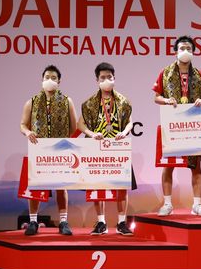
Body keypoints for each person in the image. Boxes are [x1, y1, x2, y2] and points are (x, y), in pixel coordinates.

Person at [152, 35, 201, 216]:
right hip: (173, 127)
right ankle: (168, 203)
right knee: (168, 165)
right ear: (175, 51)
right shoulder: (165, 72)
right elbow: (156, 97)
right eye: (182, 48)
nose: (185, 52)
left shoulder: (200, 75)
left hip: (194, 126)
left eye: (189, 49)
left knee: (196, 165)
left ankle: (197, 205)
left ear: (193, 52)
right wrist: (166, 101)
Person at [78, 62, 135, 236]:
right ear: (97, 80)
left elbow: (130, 122)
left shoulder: (124, 101)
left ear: (114, 78)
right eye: (102, 77)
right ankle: (101, 222)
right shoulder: (89, 103)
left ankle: (121, 222)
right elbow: (80, 124)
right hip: (97, 150)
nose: (106, 80)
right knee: (98, 187)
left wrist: (125, 132)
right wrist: (91, 133)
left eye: (109, 77)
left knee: (122, 187)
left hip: (118, 150)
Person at [20, 65, 77, 236]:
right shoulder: (32, 101)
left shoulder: (67, 101)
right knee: (36, 186)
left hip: (60, 151)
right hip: (39, 150)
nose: (50, 80)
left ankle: (63, 221)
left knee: (61, 187)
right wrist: (28, 131)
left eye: (53, 77)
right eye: (47, 77)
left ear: (59, 81)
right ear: (42, 79)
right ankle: (33, 221)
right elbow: (23, 124)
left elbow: (73, 126)